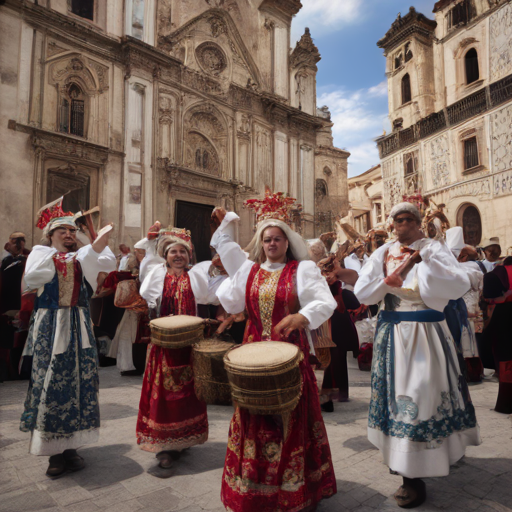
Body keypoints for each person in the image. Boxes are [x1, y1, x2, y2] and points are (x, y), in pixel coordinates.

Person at [211, 198, 338, 512]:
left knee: (291, 416)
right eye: (266, 239)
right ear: (261, 242)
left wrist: (301, 317)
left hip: (289, 353)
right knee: (254, 416)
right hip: (253, 351)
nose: (271, 243)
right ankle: (256, 490)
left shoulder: (303, 269)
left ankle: (296, 489)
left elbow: (324, 300)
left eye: (277, 239)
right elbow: (233, 303)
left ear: (287, 241)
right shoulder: (249, 270)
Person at [354, 202, 480, 508]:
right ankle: (408, 473)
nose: (402, 225)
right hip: (393, 337)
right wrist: (387, 281)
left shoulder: (434, 249)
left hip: (427, 336)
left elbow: (458, 283)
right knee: (398, 400)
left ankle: (430, 460)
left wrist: (422, 263)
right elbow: (363, 292)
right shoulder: (381, 253)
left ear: (418, 223)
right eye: (397, 221)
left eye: (408, 220)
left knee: (425, 396)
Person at [19, 200, 115, 477]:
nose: (68, 235)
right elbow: (35, 277)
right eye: (62, 231)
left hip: (79, 326)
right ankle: (53, 453)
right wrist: (78, 253)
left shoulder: (82, 256)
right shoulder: (40, 253)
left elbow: (105, 260)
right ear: (50, 235)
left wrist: (96, 239)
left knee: (80, 383)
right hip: (51, 327)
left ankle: (72, 446)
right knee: (51, 381)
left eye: (72, 231)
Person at [137, 227, 210, 470]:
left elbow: (210, 297)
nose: (178, 255)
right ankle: (164, 445)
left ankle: (184, 437)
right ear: (166, 256)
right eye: (173, 252)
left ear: (189, 256)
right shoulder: (157, 274)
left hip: (190, 346)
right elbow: (146, 294)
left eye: (183, 251)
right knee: (165, 394)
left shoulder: (196, 276)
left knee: (189, 392)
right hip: (164, 347)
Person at [317, 255, 360, 410]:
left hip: (332, 327)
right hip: (328, 326)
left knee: (331, 359)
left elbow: (354, 300)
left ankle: (330, 395)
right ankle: (335, 394)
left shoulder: (338, 290)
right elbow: (354, 302)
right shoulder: (337, 291)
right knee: (332, 359)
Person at [446, 227, 484, 382]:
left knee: (464, 342)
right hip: (473, 307)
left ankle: (466, 372)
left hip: (461, 310)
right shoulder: (477, 269)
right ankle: (474, 371)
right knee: (473, 344)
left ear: (463, 256)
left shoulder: (460, 270)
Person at [482, 256, 512, 414]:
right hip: (504, 312)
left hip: (503, 314)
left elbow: (489, 292)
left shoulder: (500, 270)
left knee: (505, 358)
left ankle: (506, 404)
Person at [0, 232, 31, 380]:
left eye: (21, 240)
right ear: (8, 242)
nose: (18, 243)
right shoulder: (4, 260)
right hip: (6, 305)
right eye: (15, 240)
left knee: (23, 338)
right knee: (6, 340)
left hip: (23, 304)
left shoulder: (29, 259)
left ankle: (22, 371)